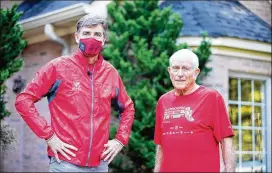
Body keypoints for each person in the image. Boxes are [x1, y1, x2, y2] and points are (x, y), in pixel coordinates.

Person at [15, 14, 135, 172]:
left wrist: (120, 140)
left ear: (104, 40)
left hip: (100, 164)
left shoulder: (110, 73)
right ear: (77, 37)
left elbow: (127, 108)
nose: (92, 38)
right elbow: (23, 101)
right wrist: (49, 136)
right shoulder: (57, 67)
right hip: (65, 163)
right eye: (86, 33)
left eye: (97, 34)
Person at [153, 49, 235, 172]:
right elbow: (161, 146)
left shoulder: (211, 97)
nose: (179, 74)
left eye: (185, 69)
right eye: (175, 68)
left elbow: (226, 140)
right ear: (170, 71)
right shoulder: (163, 101)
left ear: (196, 73)